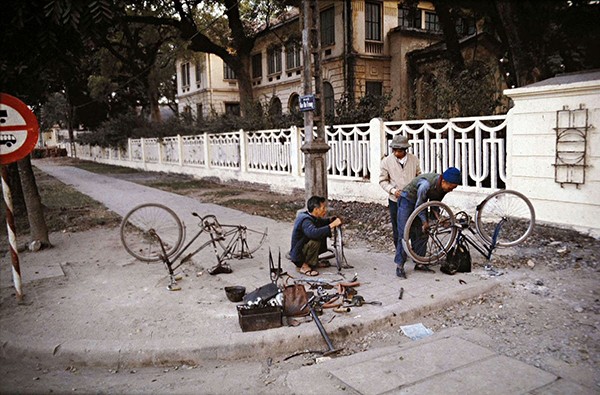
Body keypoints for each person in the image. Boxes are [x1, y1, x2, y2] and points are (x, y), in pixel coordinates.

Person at [394, 167, 462, 279]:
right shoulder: (425, 185)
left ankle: (419, 262)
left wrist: (438, 218)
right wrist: (425, 221)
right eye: (451, 187)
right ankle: (400, 265)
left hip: (421, 203)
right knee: (403, 233)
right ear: (444, 181)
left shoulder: (443, 188)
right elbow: (419, 206)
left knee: (423, 232)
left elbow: (435, 204)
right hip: (408, 199)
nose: (452, 190)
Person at [379, 134, 421, 248]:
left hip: (412, 198)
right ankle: (400, 251)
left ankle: (415, 251)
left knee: (414, 225)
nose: (397, 153)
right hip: (395, 199)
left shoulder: (413, 159)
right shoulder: (386, 161)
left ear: (405, 150)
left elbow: (419, 176)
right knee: (398, 227)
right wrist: (392, 190)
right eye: (395, 150)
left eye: (400, 151)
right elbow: (382, 181)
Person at [289, 195, 342, 276]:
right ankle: (303, 266)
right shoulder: (306, 220)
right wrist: (332, 225)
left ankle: (313, 262)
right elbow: (313, 233)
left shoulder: (311, 216)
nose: (325, 210)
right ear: (316, 209)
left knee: (321, 232)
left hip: (302, 248)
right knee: (316, 239)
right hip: (298, 255)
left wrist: (330, 221)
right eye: (323, 208)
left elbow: (320, 222)